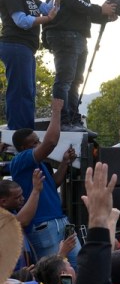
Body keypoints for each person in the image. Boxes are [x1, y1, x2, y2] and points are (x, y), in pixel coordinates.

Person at [44, 0, 117, 134]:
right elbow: (74, 3)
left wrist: (105, 15)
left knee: (75, 80)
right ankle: (63, 121)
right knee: (65, 79)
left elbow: (84, 12)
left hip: (77, 34)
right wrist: (100, 10)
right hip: (64, 33)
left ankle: (73, 120)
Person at [9, 103, 81, 267]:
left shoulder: (38, 165)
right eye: (34, 143)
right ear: (23, 148)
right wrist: (56, 112)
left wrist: (64, 163)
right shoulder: (20, 161)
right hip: (43, 226)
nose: (39, 144)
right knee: (54, 273)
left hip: (60, 222)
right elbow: (50, 142)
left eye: (38, 141)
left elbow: (53, 183)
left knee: (78, 267)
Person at [0, 0, 66, 130]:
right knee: (20, 90)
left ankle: (26, 131)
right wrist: (47, 19)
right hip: (15, 45)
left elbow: (48, 8)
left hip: (25, 48)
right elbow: (21, 21)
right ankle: (17, 132)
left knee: (28, 91)